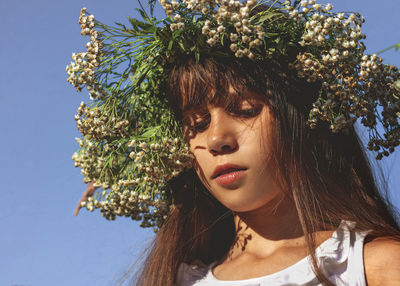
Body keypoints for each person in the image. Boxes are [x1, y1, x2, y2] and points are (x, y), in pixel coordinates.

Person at [68, 0, 400, 285]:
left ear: (308, 121)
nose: (216, 139)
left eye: (244, 110)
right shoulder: (176, 279)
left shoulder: (372, 267)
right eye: (196, 124)